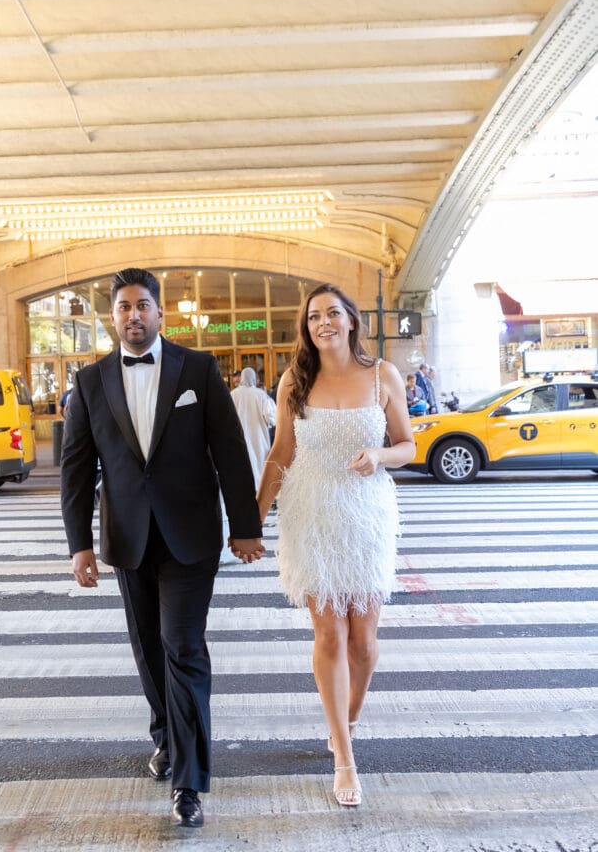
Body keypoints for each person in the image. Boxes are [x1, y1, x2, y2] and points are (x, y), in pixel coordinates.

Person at [60, 267, 264, 829]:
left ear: (159, 313)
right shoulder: (91, 380)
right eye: (123, 306)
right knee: (149, 649)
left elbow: (228, 449)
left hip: (191, 537)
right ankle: (166, 738)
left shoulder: (196, 368)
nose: (133, 314)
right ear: (112, 316)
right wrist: (79, 544)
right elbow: (77, 469)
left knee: (182, 646)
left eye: (143, 305)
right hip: (128, 538)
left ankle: (189, 782)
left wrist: (244, 526)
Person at [256, 283, 415, 808]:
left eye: (332, 313)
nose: (322, 322)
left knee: (364, 642)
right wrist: (251, 520)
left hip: (367, 516)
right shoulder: (294, 382)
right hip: (313, 514)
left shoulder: (381, 376)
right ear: (306, 327)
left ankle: (345, 718)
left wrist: (378, 454)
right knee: (330, 632)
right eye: (313, 316)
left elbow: (408, 447)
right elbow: (281, 451)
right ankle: (344, 755)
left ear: (351, 321)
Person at [230, 367, 277, 487]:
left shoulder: (233, 395)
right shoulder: (261, 395)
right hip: (258, 438)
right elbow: (272, 418)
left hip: (238, 438)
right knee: (259, 466)